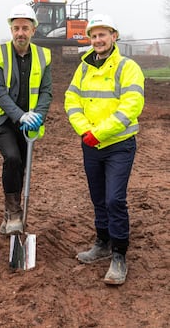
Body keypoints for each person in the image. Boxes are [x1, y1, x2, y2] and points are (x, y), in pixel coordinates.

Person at [64, 14, 144, 285]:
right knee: (98, 197)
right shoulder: (84, 67)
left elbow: (131, 105)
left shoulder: (127, 67)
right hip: (90, 144)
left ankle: (119, 254)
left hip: (119, 145)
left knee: (114, 199)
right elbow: (71, 98)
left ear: (114, 36)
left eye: (103, 35)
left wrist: (98, 132)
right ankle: (102, 242)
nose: (98, 40)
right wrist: (83, 129)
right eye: (93, 36)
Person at [0, 4, 52, 235]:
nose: (20, 33)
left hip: (29, 122)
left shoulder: (44, 55)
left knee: (21, 166)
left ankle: (8, 214)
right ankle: (14, 213)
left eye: (25, 28)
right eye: (16, 28)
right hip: (1, 120)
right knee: (12, 158)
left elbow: (46, 91)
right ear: (11, 30)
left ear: (33, 30)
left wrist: (38, 116)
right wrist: (20, 115)